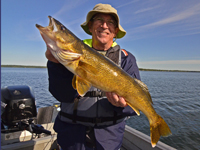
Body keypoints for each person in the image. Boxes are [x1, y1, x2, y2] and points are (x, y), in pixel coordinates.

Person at [45, 3, 141, 150]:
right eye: (99, 20)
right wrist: (55, 63)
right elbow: (61, 94)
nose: (104, 26)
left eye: (110, 23)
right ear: (90, 27)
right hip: (72, 136)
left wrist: (123, 106)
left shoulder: (127, 59)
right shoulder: (73, 53)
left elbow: (135, 103)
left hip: (109, 139)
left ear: (115, 31)